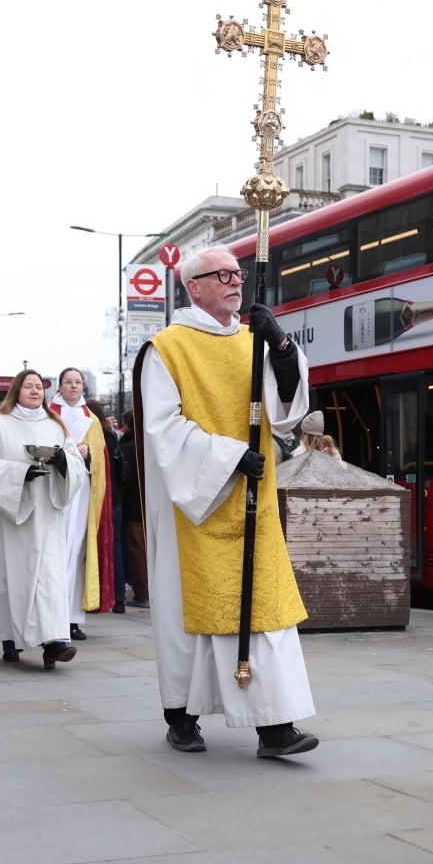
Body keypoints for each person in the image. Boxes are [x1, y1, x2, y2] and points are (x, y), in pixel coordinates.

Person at [134, 245, 319, 759]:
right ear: (193, 287)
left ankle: (275, 725)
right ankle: (182, 716)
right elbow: (162, 429)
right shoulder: (165, 348)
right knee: (191, 612)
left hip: (252, 498)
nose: (236, 282)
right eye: (223, 275)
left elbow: (285, 411)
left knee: (266, 607)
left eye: (238, 273)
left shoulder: (252, 340)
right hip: (195, 499)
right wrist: (230, 457)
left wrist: (281, 348)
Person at [0, 369, 87, 669]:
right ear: (16, 391)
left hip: (46, 514)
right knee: (11, 577)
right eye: (28, 386)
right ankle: (10, 638)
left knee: (49, 577)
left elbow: (74, 462)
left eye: (39, 387)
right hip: (12, 517)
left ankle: (54, 643)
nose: (35, 391)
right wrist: (21, 474)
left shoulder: (55, 425)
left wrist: (62, 463)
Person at [50, 368, 114, 640]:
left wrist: (87, 457)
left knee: (77, 549)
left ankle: (73, 618)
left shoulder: (92, 420)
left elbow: (101, 460)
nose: (73, 386)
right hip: (56, 487)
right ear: (60, 386)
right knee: (55, 551)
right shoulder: (49, 414)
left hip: (82, 491)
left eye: (77, 382)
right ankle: (51, 616)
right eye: (68, 382)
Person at [87, 396, 128, 614]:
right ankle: (117, 597)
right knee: (114, 548)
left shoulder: (95, 436)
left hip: (99, 498)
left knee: (92, 547)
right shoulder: (110, 436)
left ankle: (95, 595)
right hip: (114, 498)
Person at [117, 409, 150, 607]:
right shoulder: (153, 445)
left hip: (132, 505)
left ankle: (142, 592)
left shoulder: (128, 447)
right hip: (153, 506)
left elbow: (125, 476)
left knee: (136, 550)